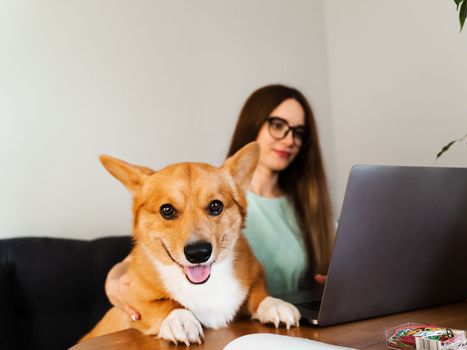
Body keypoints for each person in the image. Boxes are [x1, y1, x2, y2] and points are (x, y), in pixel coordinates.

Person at [106, 84, 335, 321]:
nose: (289, 140)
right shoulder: (214, 186)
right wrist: (114, 280)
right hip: (241, 330)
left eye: (299, 132)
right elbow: (144, 258)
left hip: (296, 325)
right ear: (253, 124)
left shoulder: (310, 208)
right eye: (278, 126)